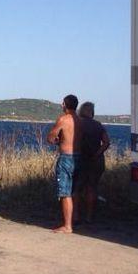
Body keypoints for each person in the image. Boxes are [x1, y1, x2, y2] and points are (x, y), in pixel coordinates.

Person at [47, 94, 82, 234]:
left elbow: (51, 137)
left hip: (67, 157)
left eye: (62, 103)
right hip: (79, 157)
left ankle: (67, 225)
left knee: (65, 192)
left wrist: (56, 140)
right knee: (75, 190)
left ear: (65, 105)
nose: (61, 105)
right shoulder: (81, 121)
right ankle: (76, 217)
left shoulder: (63, 119)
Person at [78, 101, 110, 223]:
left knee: (77, 188)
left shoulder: (78, 124)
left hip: (81, 159)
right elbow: (106, 142)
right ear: (92, 112)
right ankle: (89, 216)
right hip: (96, 161)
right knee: (92, 188)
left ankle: (75, 215)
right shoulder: (98, 125)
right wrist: (97, 154)